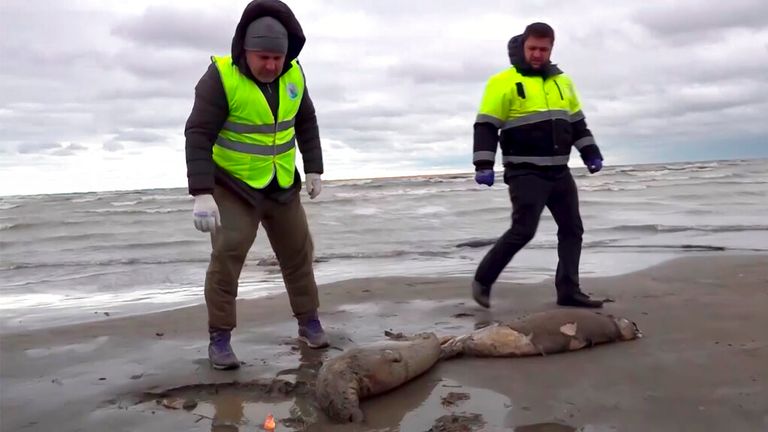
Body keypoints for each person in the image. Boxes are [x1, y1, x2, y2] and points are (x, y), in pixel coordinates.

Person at [184, 0, 329, 370]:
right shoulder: (220, 78)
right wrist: (202, 192)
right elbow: (198, 134)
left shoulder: (295, 76)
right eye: (263, 57)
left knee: (299, 252)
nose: (271, 65)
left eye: (277, 58)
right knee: (228, 256)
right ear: (245, 51)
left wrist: (314, 168)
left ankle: (309, 322)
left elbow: (306, 122)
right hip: (233, 187)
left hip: (281, 184)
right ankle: (220, 338)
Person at [471, 22, 605, 309]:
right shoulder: (502, 82)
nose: (537, 54)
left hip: (559, 171)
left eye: (543, 49)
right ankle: (483, 279)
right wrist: (483, 163)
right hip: (525, 170)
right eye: (532, 48)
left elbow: (577, 124)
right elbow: (485, 126)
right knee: (524, 230)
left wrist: (590, 152)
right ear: (523, 46)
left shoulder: (563, 82)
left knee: (572, 229)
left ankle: (569, 290)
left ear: (551, 49)